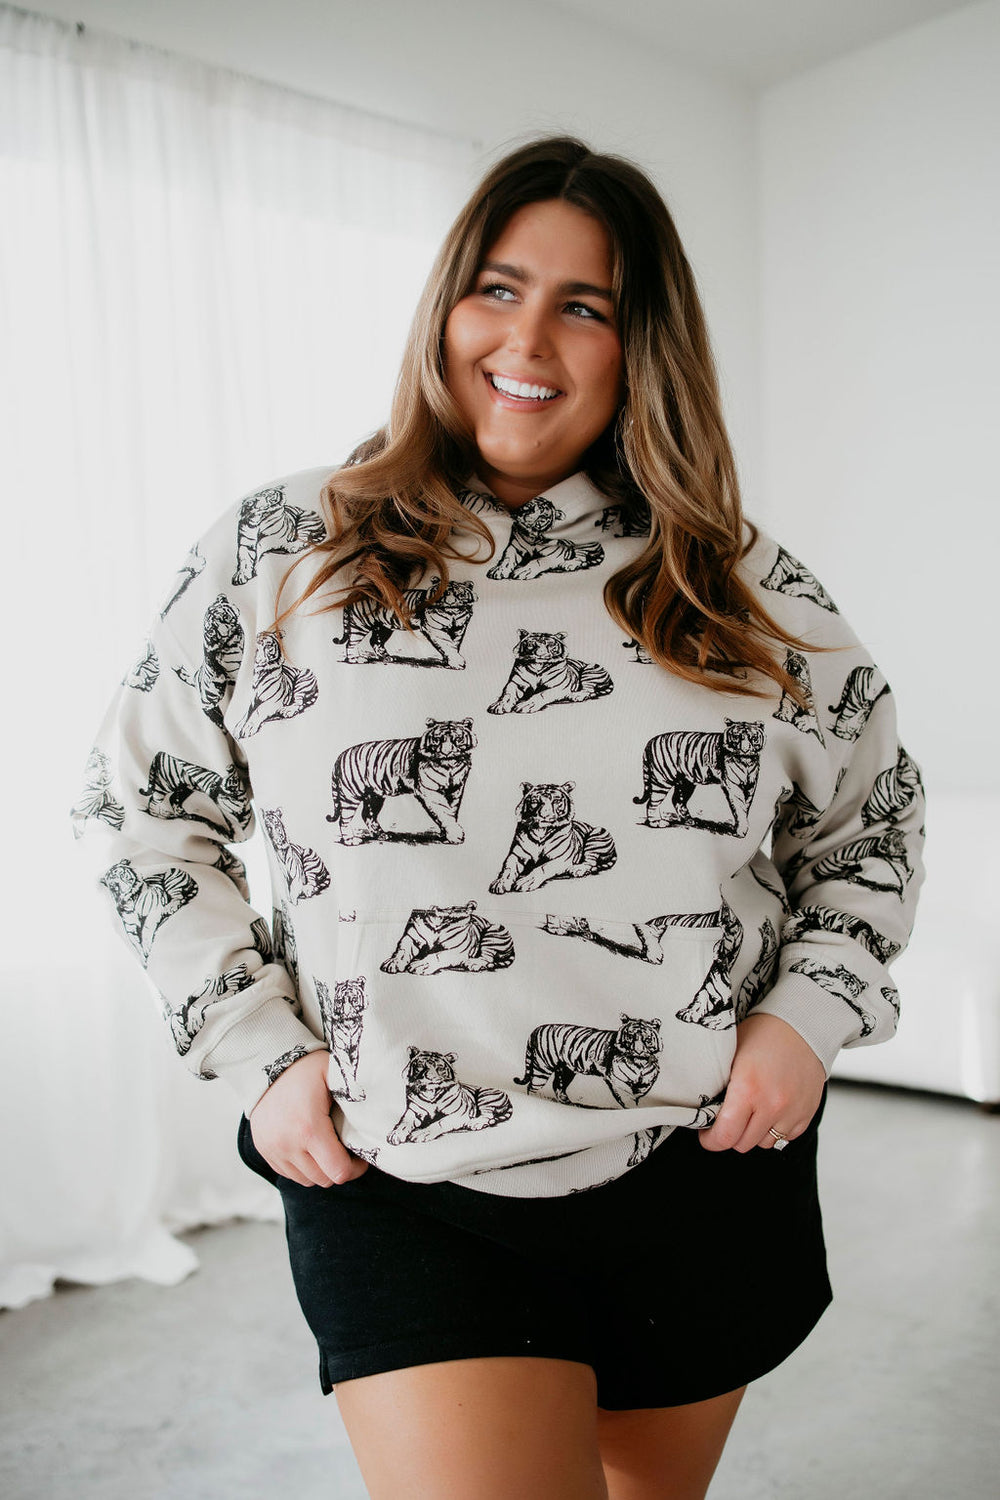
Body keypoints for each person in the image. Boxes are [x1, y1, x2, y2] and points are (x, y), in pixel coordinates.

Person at [73, 134, 925, 1500]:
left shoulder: (740, 585)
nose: (527, 339)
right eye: (498, 287)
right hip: (402, 1175)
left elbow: (870, 825)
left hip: (701, 1159)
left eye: (585, 305)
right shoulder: (281, 552)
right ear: (446, 307)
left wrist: (805, 1019)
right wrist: (257, 1050)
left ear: (643, 347)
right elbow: (139, 815)